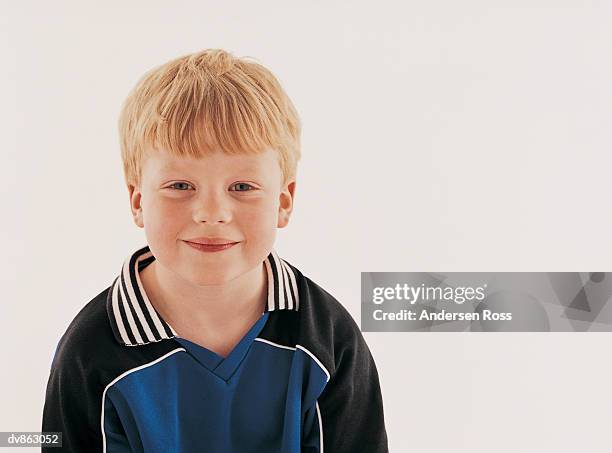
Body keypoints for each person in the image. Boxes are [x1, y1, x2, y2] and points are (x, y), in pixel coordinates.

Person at [41, 48, 389, 453]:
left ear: (283, 201)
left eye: (242, 187)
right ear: (138, 201)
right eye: (180, 186)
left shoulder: (326, 338)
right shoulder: (90, 353)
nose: (211, 213)